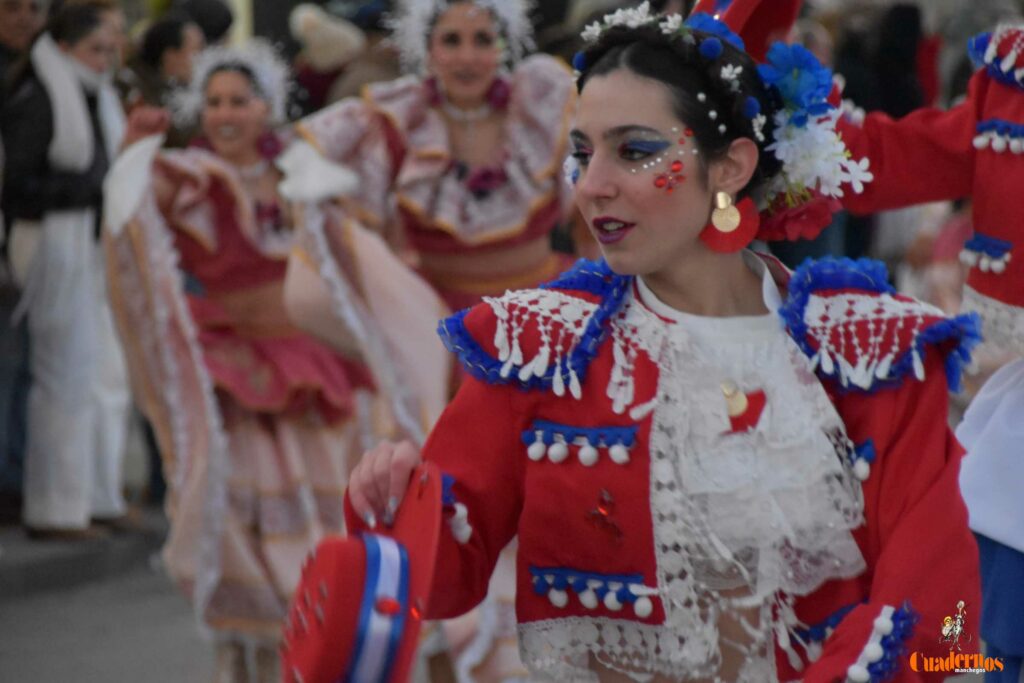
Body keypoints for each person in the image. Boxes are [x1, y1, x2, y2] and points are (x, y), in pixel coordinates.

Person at [343, 2, 982, 681]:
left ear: (731, 168)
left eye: (635, 151)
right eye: (582, 153)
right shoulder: (542, 348)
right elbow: (441, 581)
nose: (591, 186)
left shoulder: (873, 355)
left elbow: (944, 620)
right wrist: (394, 508)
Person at [105, 40, 439, 682]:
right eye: (214, 102)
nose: (226, 114)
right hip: (239, 371)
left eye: (240, 101)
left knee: (328, 519)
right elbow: (132, 226)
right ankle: (255, 658)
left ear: (267, 106)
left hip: (314, 363)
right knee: (244, 522)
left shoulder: (300, 169)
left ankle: (326, 647)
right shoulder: (188, 177)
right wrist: (130, 160)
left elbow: (360, 237)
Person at [837, 18, 1024, 683]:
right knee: (980, 646)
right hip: (1015, 480)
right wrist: (772, 131)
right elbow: (896, 157)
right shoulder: (1014, 82)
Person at [285, 0, 577, 313]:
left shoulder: (538, 109)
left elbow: (588, 224)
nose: (468, 57)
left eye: (483, 39)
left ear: (502, 47)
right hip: (443, 322)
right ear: (428, 50)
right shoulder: (398, 121)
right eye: (451, 40)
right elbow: (339, 222)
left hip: (546, 313)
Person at [1, 1, 130, 539]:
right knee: (62, 376)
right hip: (54, 246)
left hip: (88, 245)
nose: (104, 60)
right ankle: (55, 506)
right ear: (64, 48)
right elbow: (17, 186)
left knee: (99, 374)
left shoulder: (96, 96)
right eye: (95, 49)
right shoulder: (39, 99)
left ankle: (93, 496)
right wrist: (87, 191)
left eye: (109, 50)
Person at [119, 15, 205, 147]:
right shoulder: (133, 87)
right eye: (196, 51)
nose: (201, 60)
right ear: (171, 56)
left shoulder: (166, 86)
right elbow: (174, 138)